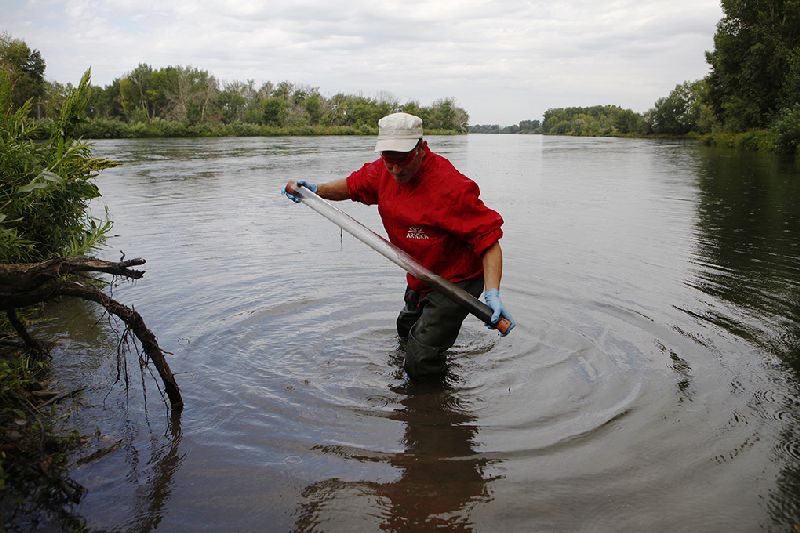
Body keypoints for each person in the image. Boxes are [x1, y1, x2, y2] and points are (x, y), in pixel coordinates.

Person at [282, 112, 515, 379]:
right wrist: (315, 190)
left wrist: (492, 292)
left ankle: (431, 410)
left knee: (420, 360)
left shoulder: (450, 187)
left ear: (420, 148)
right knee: (406, 330)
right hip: (420, 270)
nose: (395, 170)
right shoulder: (382, 171)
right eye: (388, 161)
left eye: (402, 161)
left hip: (457, 278)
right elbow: (351, 186)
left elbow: (489, 241)